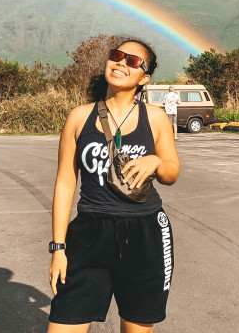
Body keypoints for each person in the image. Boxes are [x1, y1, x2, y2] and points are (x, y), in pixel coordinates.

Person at [48, 39, 180, 333]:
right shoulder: (79, 117)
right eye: (116, 56)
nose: (121, 62)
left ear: (144, 77)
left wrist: (156, 161)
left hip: (145, 233)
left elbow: (172, 173)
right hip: (90, 233)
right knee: (64, 322)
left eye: (133, 61)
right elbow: (65, 183)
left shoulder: (155, 117)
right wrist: (58, 248)